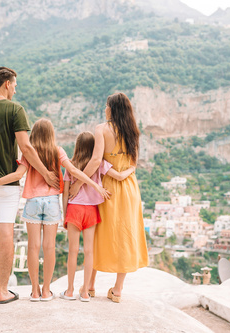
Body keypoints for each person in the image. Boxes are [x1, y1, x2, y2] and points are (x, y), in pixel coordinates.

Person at [0, 120, 110, 302]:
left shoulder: (29, 153)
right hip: (52, 202)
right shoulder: (58, 151)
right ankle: (47, 291)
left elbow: (16, 175)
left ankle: (35, 291)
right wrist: (94, 185)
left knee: (33, 247)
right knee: (49, 247)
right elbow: (73, 171)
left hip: (33, 203)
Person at [0, 67, 59, 305]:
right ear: (6, 84)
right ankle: (3, 291)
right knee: (4, 233)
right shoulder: (16, 110)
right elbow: (26, 148)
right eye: (15, 85)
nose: (15, 89)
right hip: (7, 182)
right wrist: (46, 173)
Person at [69, 93, 149, 303]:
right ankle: (118, 289)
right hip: (129, 188)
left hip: (106, 188)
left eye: (106, 105)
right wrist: (122, 174)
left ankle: (90, 285)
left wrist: (79, 182)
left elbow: (96, 161)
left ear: (112, 109)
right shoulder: (132, 130)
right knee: (125, 234)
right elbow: (133, 163)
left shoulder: (101, 129)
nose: (105, 108)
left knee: (98, 234)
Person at [60, 131, 135, 302]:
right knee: (89, 252)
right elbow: (120, 176)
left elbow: (65, 193)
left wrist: (64, 215)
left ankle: (70, 291)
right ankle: (86, 292)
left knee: (72, 251)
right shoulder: (100, 163)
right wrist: (131, 167)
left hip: (74, 210)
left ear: (77, 146)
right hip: (91, 212)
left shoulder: (71, 165)